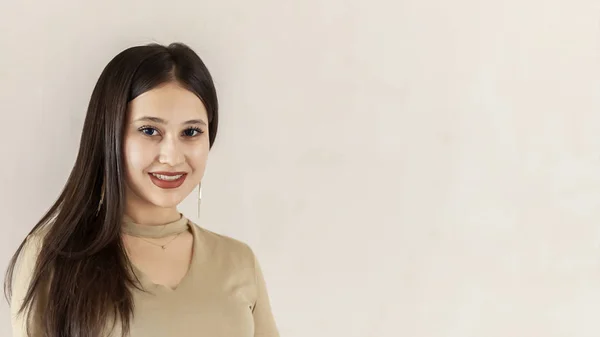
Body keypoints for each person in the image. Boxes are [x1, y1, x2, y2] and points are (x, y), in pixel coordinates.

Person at [4, 42, 279, 337]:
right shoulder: (55, 255)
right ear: (110, 133)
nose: (172, 156)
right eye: (149, 131)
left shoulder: (238, 262)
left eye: (191, 132)